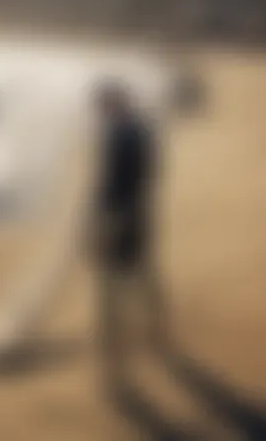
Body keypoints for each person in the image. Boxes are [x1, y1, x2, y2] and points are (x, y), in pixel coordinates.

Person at [88, 79, 166, 390]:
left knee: (111, 282)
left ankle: (113, 354)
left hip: (120, 215)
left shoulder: (120, 135)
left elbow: (111, 184)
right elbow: (150, 174)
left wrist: (102, 219)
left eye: (102, 106)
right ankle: (155, 329)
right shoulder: (140, 130)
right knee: (143, 272)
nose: (100, 113)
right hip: (140, 214)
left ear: (112, 104)